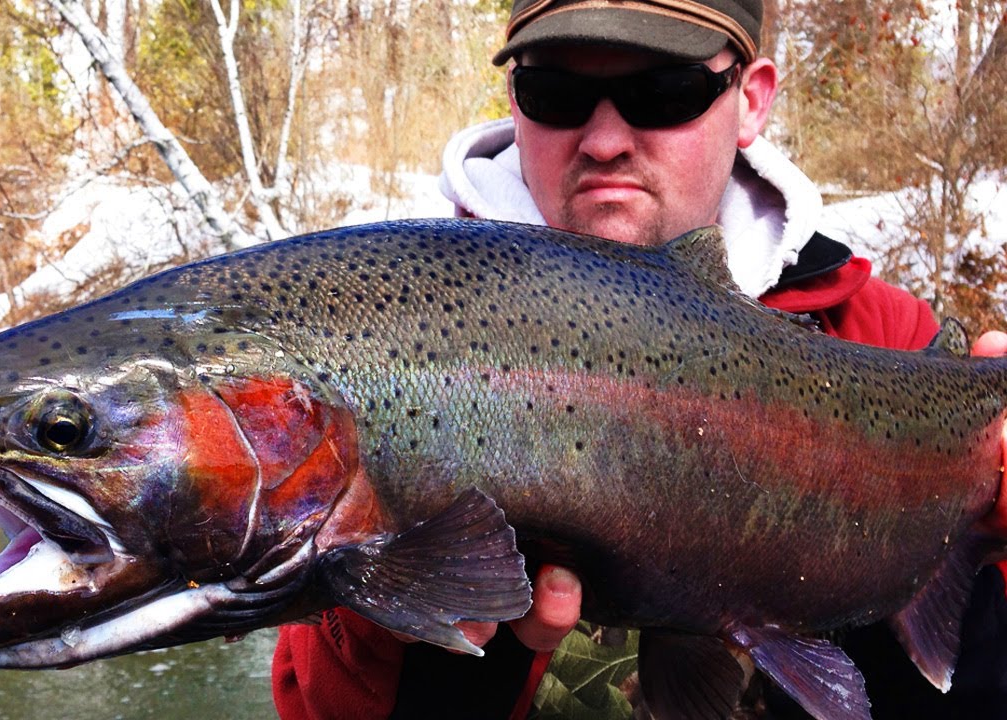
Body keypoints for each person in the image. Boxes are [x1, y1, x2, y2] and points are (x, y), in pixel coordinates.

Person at [273, 1, 1007, 717]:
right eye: (556, 93)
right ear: (515, 100)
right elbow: (313, 700)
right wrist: (437, 650)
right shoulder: (390, 324)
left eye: (665, 92)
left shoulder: (891, 343)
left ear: (750, 101)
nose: (604, 141)